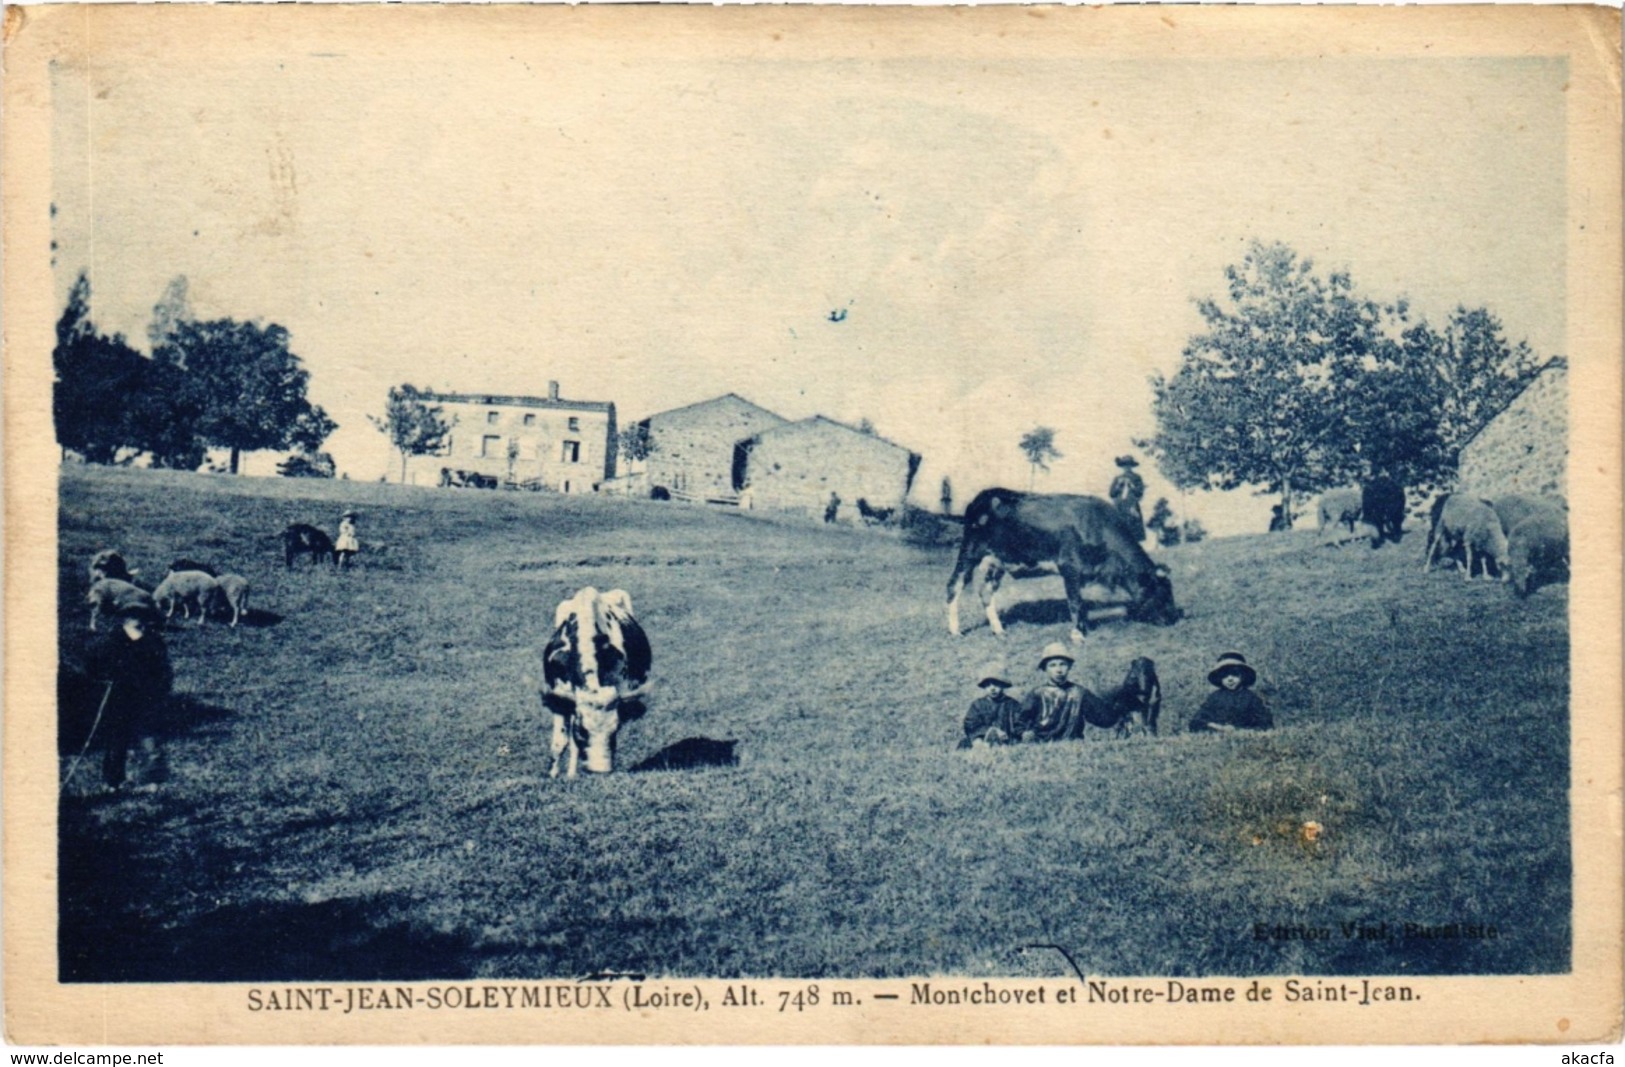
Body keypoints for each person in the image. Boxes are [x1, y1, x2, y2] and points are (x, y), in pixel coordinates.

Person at [82, 603, 172, 792]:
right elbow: (92, 665)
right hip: (118, 698)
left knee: (149, 738)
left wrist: (161, 689)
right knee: (116, 739)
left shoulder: (153, 641)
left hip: (147, 697)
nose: (142, 626)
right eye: (136, 623)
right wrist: (104, 679)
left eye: (143, 622)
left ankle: (152, 781)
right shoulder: (110, 642)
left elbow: (164, 669)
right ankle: (113, 781)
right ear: (124, 621)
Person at [1018, 643, 1089, 742]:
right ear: (1045, 669)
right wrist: (1025, 733)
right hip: (1041, 742)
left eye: (1062, 664)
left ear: (1069, 666)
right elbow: (1021, 719)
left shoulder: (1079, 692)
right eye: (1052, 665)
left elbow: (1102, 718)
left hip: (1071, 742)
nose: (1058, 670)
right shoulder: (1037, 693)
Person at [1188, 652, 1273, 733]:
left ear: (1242, 676)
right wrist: (1218, 727)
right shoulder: (1215, 697)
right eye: (1225, 675)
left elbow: (1265, 722)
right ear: (1220, 678)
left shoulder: (1251, 698)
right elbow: (1197, 721)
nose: (1230, 679)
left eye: (1234, 674)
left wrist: (1242, 731)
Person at [958, 665, 1022, 749]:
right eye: (988, 685)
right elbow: (971, 725)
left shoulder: (1012, 704)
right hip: (981, 738)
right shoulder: (978, 705)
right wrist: (989, 731)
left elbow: (1020, 724)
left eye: (996, 684)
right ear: (984, 687)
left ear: (1003, 685)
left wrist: (1010, 734)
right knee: (974, 743)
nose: (992, 688)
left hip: (1006, 740)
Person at [1109, 456, 1147, 543]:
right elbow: (1111, 494)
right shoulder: (1118, 478)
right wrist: (1118, 486)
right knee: (1120, 529)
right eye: (1124, 465)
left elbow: (1140, 492)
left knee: (1133, 528)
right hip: (1119, 506)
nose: (1126, 467)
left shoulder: (1136, 477)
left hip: (1131, 505)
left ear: (1131, 466)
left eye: (1128, 465)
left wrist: (1132, 486)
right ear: (1122, 467)